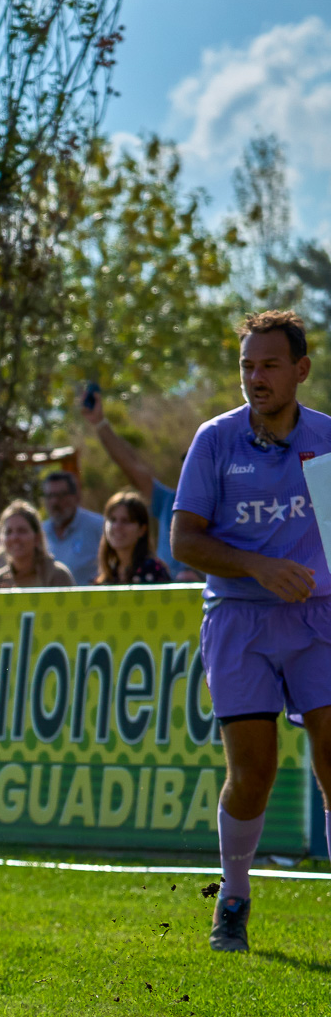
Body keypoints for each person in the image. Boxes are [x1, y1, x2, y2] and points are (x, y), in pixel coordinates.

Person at [169, 310, 331, 956]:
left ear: (300, 369)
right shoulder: (216, 441)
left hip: (319, 617)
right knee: (254, 773)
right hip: (238, 619)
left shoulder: (323, 439)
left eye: (268, 365)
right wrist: (259, 567)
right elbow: (183, 540)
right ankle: (233, 897)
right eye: (247, 366)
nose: (255, 378)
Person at [83, 385, 200, 581]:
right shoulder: (169, 501)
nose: (194, 474)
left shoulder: (225, 507)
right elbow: (131, 467)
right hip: (163, 594)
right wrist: (99, 423)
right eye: (188, 467)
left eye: (201, 468)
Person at [0, 501, 73, 588]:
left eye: (22, 531)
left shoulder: (58, 575)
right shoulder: (1, 579)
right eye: (8, 532)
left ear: (37, 538)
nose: (14, 537)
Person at [39, 470, 103, 584]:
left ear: (76, 497)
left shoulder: (98, 527)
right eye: (50, 496)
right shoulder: (40, 532)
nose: (54, 502)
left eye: (60, 495)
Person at [95, 491, 171, 585]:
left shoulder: (153, 570)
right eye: (112, 520)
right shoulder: (107, 576)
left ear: (142, 530)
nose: (117, 526)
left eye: (125, 521)